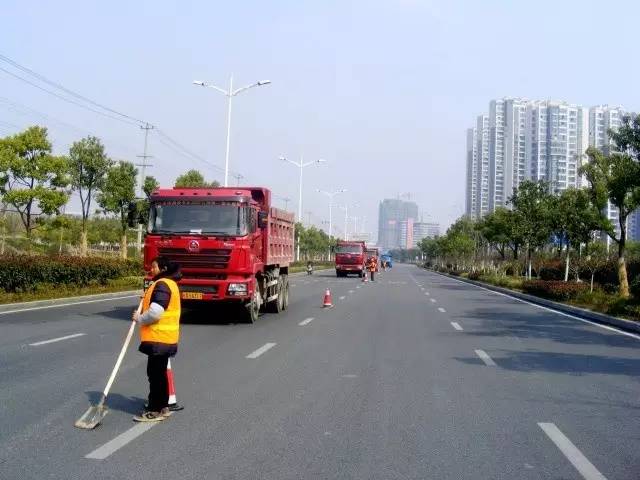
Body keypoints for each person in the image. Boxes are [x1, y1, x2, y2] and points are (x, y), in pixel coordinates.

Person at [132, 256, 182, 422]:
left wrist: (139, 318)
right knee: (158, 373)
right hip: (163, 338)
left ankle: (156, 409)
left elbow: (155, 313)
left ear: (163, 269)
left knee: (155, 374)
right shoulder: (167, 284)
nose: (151, 270)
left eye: (154, 267)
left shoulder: (163, 285)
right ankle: (163, 405)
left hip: (159, 338)